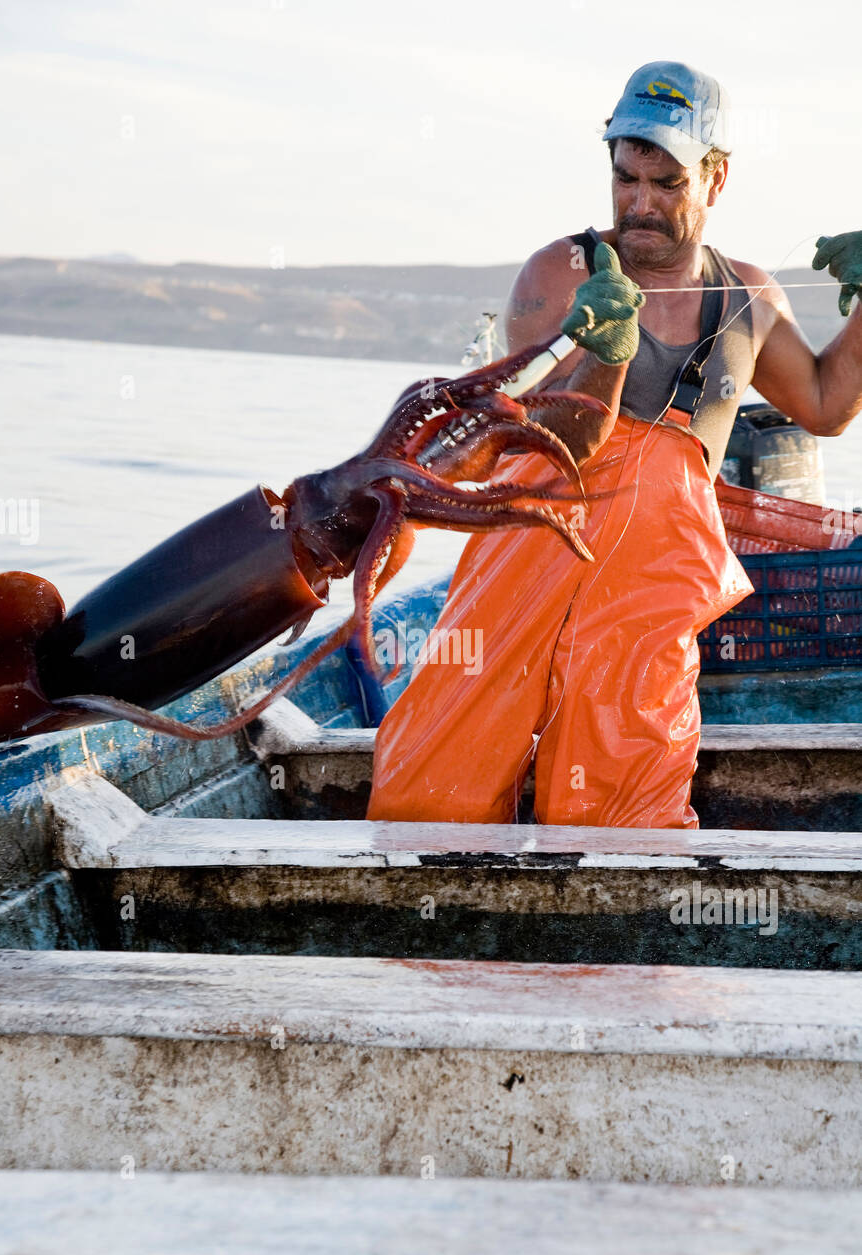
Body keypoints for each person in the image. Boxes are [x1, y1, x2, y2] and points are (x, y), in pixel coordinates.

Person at [368, 60, 862, 829]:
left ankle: (603, 944)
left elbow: (828, 406)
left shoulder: (748, 297)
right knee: (437, 771)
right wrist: (606, 350)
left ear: (716, 178)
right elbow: (532, 440)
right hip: (530, 550)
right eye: (626, 177)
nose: (640, 203)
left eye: (667, 184)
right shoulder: (559, 274)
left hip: (654, 583)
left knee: (623, 799)